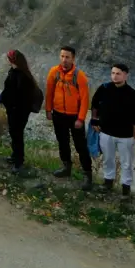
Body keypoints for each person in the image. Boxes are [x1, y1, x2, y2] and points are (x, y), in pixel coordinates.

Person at [90, 62, 135, 196]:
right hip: (106, 132)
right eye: (113, 73)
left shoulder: (133, 94)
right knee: (108, 159)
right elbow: (95, 104)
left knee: (127, 163)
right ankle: (108, 183)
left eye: (118, 73)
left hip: (125, 135)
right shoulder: (104, 88)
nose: (115, 76)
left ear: (126, 75)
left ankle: (126, 187)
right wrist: (94, 119)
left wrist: (133, 136)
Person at [45, 46, 93, 190]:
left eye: (67, 57)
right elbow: (49, 92)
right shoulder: (54, 72)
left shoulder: (79, 76)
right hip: (58, 114)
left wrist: (80, 118)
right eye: (62, 56)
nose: (64, 60)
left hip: (74, 116)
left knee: (80, 146)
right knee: (62, 142)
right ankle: (66, 167)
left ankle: (87, 174)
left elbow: (85, 99)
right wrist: (48, 109)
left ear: (73, 59)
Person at [0, 49, 41, 173]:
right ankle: (15, 156)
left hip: (19, 112)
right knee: (14, 133)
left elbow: (21, 96)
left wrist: (12, 105)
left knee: (17, 134)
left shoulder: (22, 76)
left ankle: (19, 161)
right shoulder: (15, 72)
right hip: (13, 110)